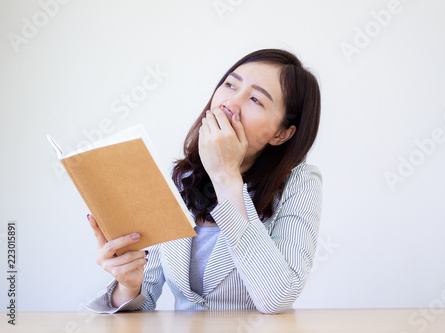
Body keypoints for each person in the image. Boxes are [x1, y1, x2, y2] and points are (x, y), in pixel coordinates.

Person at [86, 49, 322, 314]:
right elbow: (145, 297)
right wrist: (128, 286)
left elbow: (277, 298)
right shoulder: (179, 179)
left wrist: (225, 176)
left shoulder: (301, 183)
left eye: (255, 99)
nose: (230, 103)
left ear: (281, 134)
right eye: (230, 84)